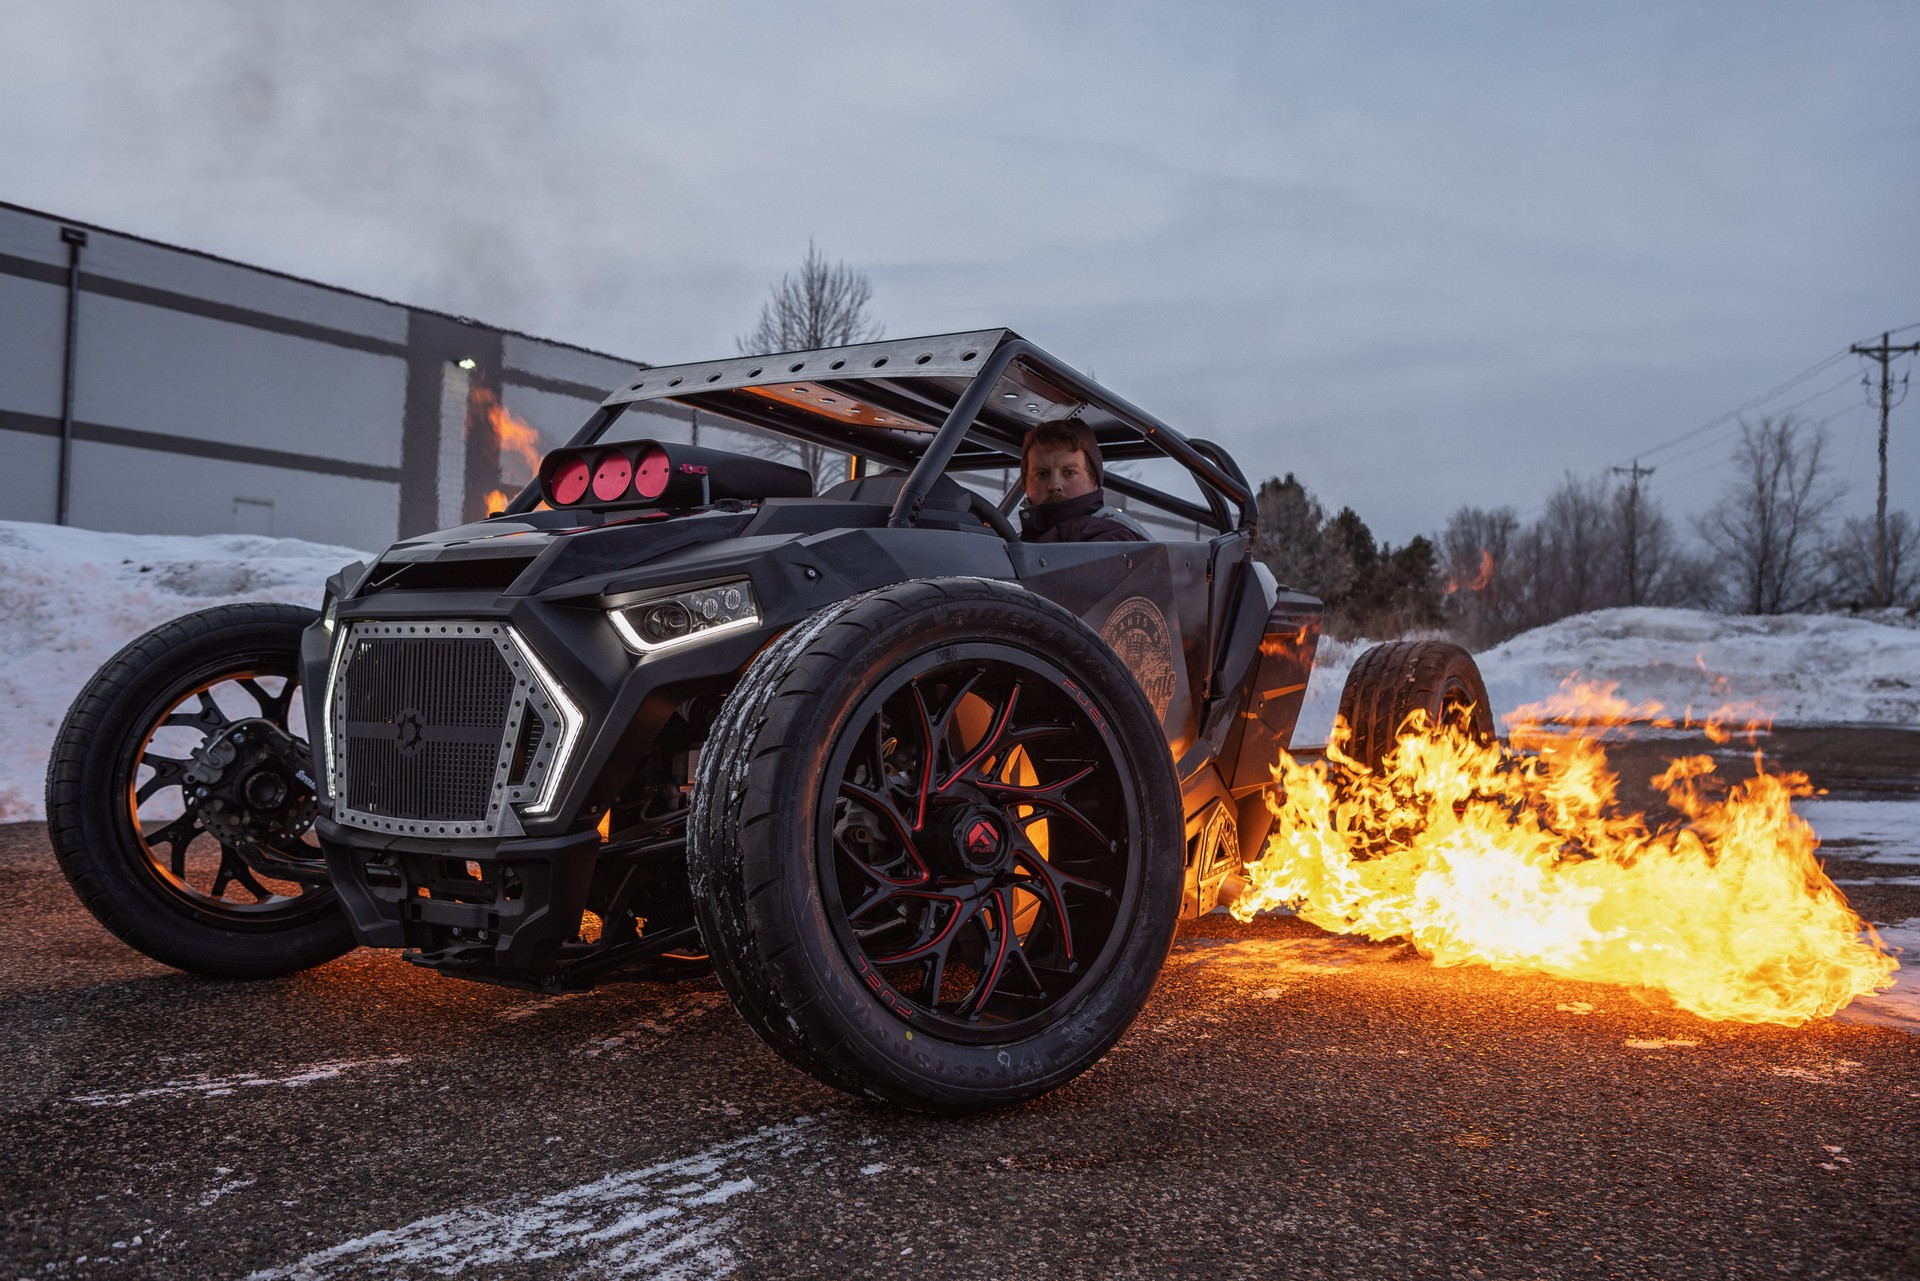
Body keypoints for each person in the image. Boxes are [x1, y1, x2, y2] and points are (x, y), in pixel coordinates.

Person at [1017, 420, 1150, 543]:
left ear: (1094, 480)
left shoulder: (1113, 539)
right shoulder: (1018, 540)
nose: (1054, 485)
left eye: (1069, 473)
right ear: (1025, 483)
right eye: (1042, 474)